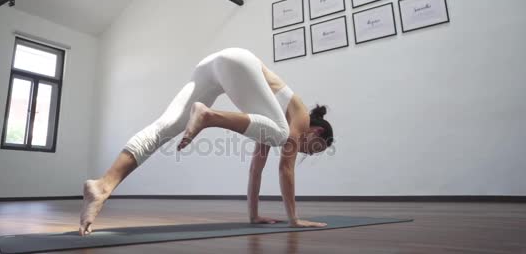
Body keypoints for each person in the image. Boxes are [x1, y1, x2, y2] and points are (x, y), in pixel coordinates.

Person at [78, 47, 334, 236]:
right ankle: (209, 116)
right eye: (314, 150)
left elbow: (257, 168)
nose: (306, 152)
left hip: (211, 64)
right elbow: (285, 170)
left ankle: (102, 185)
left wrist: (253, 215)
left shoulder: (268, 119)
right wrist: (295, 220)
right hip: (238, 61)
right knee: (279, 135)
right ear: (316, 133)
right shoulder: (299, 116)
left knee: (166, 126)